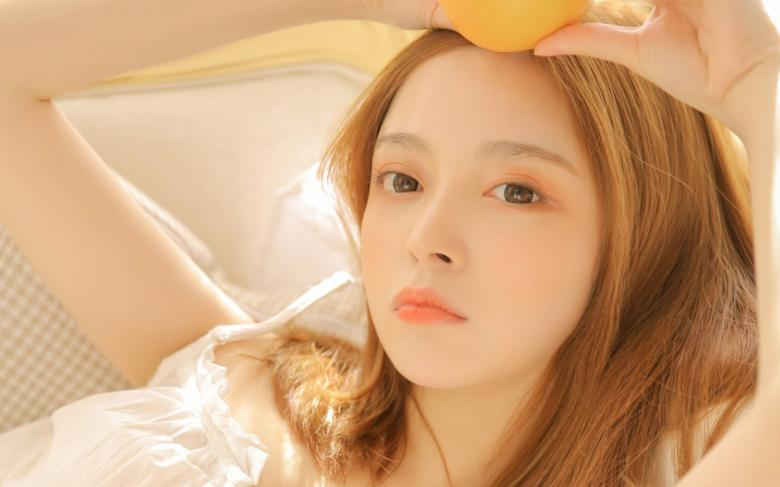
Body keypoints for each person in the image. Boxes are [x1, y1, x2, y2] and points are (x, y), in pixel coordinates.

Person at [0, 0, 778, 485]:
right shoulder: (237, 382)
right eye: (402, 180)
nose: (427, 240)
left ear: (644, 233)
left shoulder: (694, 459)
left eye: (517, 191)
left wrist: (758, 84)